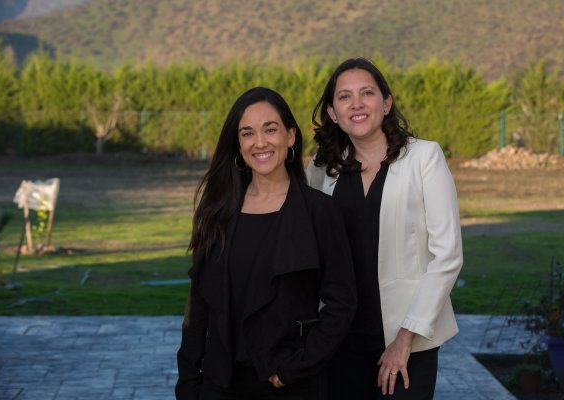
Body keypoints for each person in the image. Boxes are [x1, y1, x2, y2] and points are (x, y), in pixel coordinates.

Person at [175, 87, 357, 400]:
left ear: (290, 137)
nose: (260, 142)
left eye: (270, 129)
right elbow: (199, 307)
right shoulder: (218, 211)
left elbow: (342, 303)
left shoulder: (319, 212)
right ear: (238, 144)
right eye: (247, 133)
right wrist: (189, 384)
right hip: (221, 385)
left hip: (289, 385)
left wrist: (296, 368)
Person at [306, 58, 463, 399]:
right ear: (333, 112)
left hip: (407, 343)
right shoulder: (321, 169)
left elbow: (447, 256)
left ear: (386, 102)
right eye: (344, 97)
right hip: (339, 339)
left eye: (367, 93)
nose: (357, 104)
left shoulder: (424, 158)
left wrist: (405, 337)